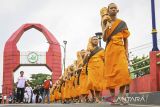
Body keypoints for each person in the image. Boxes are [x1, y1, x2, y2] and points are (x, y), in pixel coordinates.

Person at [102, 3, 131, 105]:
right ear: (108, 10)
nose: (113, 9)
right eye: (111, 8)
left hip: (120, 49)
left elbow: (126, 39)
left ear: (117, 10)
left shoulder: (122, 23)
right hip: (110, 51)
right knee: (111, 74)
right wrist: (106, 28)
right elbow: (105, 39)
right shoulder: (105, 22)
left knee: (123, 72)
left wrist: (126, 51)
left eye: (115, 8)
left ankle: (122, 97)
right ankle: (113, 97)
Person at [86, 36, 105, 103]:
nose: (95, 40)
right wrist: (86, 56)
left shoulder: (101, 49)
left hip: (100, 67)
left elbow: (104, 59)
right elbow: (85, 61)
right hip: (91, 67)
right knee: (90, 82)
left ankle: (97, 98)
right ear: (91, 41)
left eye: (96, 39)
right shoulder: (88, 49)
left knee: (98, 82)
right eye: (94, 39)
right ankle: (94, 96)